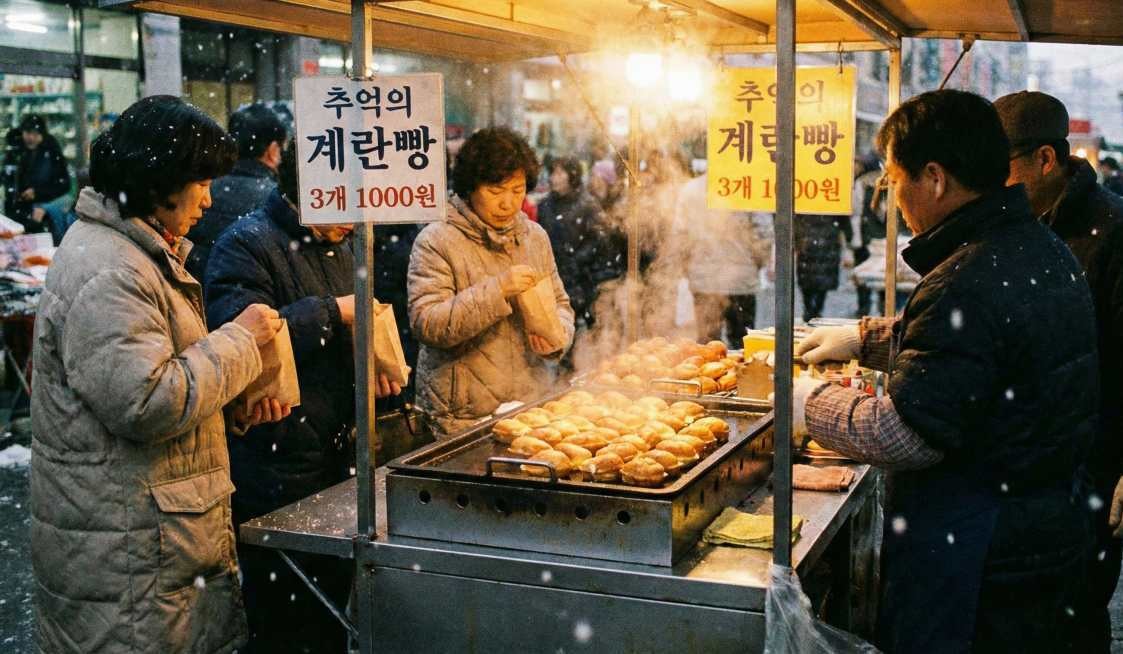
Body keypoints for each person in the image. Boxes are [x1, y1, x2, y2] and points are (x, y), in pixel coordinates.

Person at [795, 90, 1098, 653]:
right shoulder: (1035, 243)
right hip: (1040, 532)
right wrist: (862, 339)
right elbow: (978, 358)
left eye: (894, 179)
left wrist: (807, 402)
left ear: (933, 179)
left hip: (978, 554)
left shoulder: (969, 273)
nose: (893, 197)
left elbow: (909, 434)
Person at [29, 95, 291, 653]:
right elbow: (147, 401)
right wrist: (241, 339)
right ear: (160, 179)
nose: (210, 197)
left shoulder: (134, 250)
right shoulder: (110, 269)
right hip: (130, 555)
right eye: (200, 181)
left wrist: (228, 403)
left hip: (149, 543)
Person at [204, 140, 401, 653]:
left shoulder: (344, 244)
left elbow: (353, 326)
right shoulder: (246, 243)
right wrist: (333, 313)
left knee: (336, 605)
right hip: (279, 459)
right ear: (308, 189)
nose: (353, 221)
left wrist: (372, 366)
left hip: (338, 453)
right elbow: (245, 342)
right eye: (345, 205)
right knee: (289, 614)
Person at [994, 90, 1123, 654]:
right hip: (1025, 466)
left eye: (1001, 169)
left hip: (1095, 465)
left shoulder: (1113, 231)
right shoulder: (1011, 221)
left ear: (1046, 160)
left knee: (1076, 616)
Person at [408, 126, 575, 437]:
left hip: (528, 406)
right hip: (460, 418)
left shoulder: (534, 238)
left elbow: (562, 305)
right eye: (496, 191)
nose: (507, 203)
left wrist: (557, 337)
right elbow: (427, 323)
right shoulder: (436, 240)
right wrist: (497, 290)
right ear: (470, 187)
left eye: (517, 190)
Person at [186, 102, 287, 281]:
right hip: (253, 302)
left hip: (196, 297)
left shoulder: (203, 190)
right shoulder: (277, 200)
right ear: (272, 150)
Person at [674, 169, 770, 345]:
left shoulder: (690, 190)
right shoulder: (749, 186)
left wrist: (688, 268)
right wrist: (758, 263)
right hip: (741, 281)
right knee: (743, 343)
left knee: (707, 343)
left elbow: (681, 236)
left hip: (703, 279)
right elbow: (763, 233)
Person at [537, 155, 604, 328]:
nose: (554, 178)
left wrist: (576, 260)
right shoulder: (545, 205)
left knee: (574, 327)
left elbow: (598, 239)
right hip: (550, 275)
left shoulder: (588, 204)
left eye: (560, 173)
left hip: (580, 278)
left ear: (572, 176)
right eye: (553, 173)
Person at [2, 114, 71, 233]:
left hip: (42, 210)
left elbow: (64, 185)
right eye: (28, 133)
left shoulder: (51, 150)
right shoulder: (17, 150)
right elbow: (7, 176)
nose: (31, 138)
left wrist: (38, 193)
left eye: (35, 134)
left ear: (42, 135)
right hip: (17, 210)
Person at [849, 152, 886, 316]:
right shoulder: (883, 183)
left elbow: (856, 212)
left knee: (867, 277)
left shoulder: (862, 184)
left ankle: (865, 308)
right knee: (881, 277)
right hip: (878, 238)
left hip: (869, 237)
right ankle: (882, 308)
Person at [794, 213, 848, 322]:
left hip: (806, 237)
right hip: (828, 237)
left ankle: (809, 307)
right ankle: (817, 308)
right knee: (824, 276)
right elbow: (844, 219)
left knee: (806, 275)